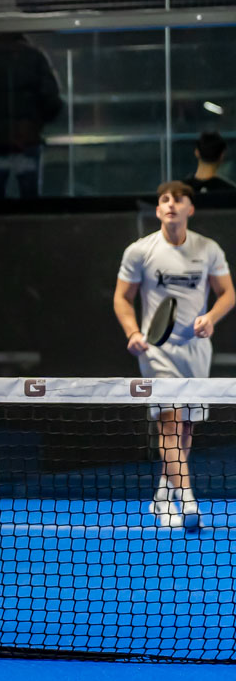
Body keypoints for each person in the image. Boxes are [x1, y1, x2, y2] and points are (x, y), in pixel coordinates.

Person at [113, 181, 235, 530]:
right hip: (157, 351)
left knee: (186, 426)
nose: (170, 204)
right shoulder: (140, 251)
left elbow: (228, 293)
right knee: (170, 420)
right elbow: (122, 297)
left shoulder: (208, 249)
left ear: (189, 209)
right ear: (157, 210)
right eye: (164, 200)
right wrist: (133, 332)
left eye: (178, 200)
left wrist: (210, 318)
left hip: (195, 349)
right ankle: (188, 500)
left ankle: (163, 495)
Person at [0, 33, 62, 199]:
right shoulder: (34, 56)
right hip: (27, 136)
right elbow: (51, 97)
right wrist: (38, 123)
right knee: (29, 195)